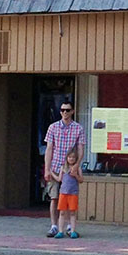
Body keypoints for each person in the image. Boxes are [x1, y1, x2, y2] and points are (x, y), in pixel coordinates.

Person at [43, 99, 85, 237]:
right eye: (62, 110)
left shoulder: (78, 128)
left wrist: (77, 165)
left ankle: (69, 226)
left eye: (67, 110)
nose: (64, 113)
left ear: (72, 111)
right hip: (56, 166)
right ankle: (54, 226)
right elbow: (49, 149)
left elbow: (80, 148)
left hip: (70, 168)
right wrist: (47, 169)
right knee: (54, 197)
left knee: (69, 197)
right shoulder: (53, 127)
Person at [52, 148, 81, 238]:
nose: (71, 159)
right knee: (62, 212)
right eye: (69, 157)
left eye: (73, 157)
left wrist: (76, 175)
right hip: (63, 193)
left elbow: (81, 180)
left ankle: (72, 231)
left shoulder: (77, 168)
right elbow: (59, 179)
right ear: (67, 158)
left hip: (73, 193)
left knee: (72, 212)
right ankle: (60, 231)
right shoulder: (63, 168)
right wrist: (52, 173)